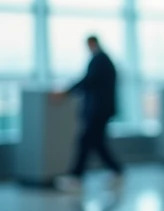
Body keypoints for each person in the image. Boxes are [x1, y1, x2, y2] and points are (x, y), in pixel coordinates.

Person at [52, 36, 121, 192]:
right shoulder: (103, 59)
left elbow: (88, 81)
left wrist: (66, 92)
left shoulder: (100, 60)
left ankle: (76, 177)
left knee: (85, 141)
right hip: (101, 109)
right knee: (96, 142)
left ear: (91, 44)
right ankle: (116, 170)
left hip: (98, 110)